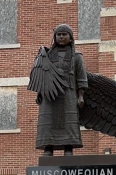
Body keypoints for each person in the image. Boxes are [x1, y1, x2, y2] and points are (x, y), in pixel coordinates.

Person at [29, 24, 88, 156]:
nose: (61, 37)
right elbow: (42, 76)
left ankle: (68, 148)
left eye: (64, 34)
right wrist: (40, 92)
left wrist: (81, 96)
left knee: (68, 122)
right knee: (48, 122)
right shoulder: (47, 56)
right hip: (49, 96)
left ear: (71, 38)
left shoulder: (77, 57)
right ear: (55, 37)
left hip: (68, 95)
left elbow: (81, 79)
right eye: (58, 34)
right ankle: (48, 148)